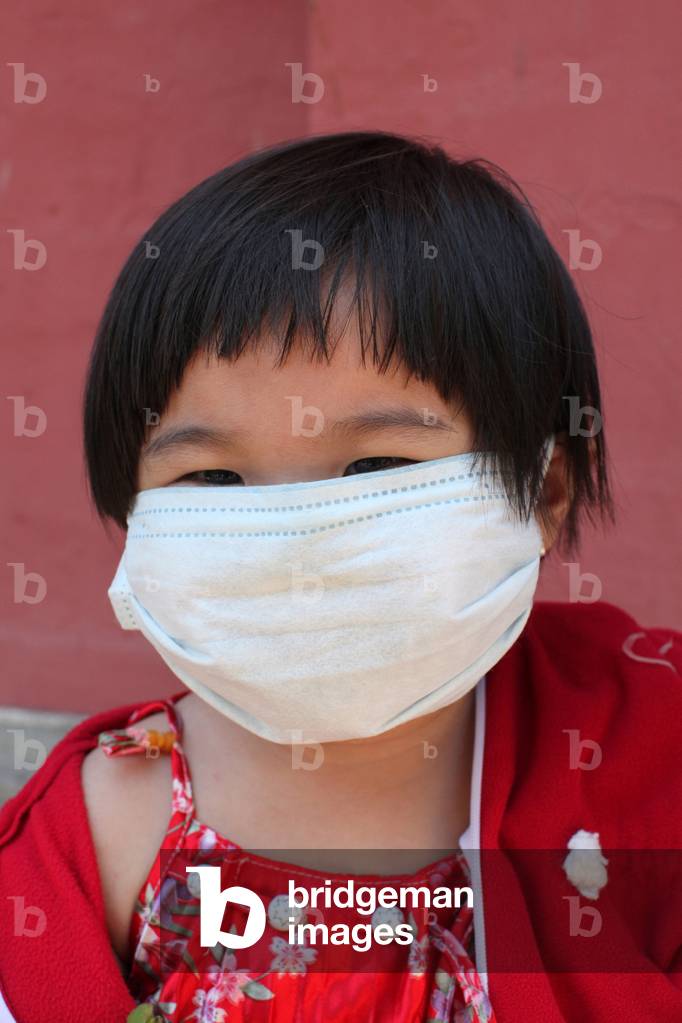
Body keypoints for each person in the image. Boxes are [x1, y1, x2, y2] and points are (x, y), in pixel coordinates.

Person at [0, 131, 680, 1023]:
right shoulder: (94, 838)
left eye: (375, 465)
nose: (297, 542)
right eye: (210, 477)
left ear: (543, 490)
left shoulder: (649, 758)